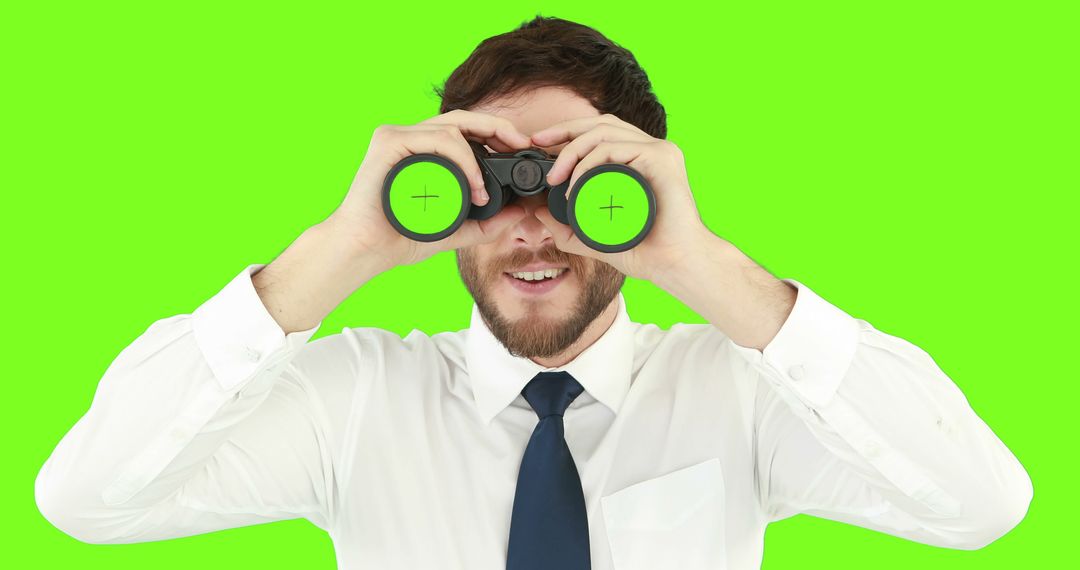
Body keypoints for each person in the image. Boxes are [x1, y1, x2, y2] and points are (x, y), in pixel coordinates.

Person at [35, 15, 1032, 570]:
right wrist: (342, 246)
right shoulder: (356, 400)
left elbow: (981, 504)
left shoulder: (734, 391)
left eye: (573, 183)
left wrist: (697, 262)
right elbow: (83, 500)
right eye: (496, 176)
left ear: (636, 188)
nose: (535, 222)